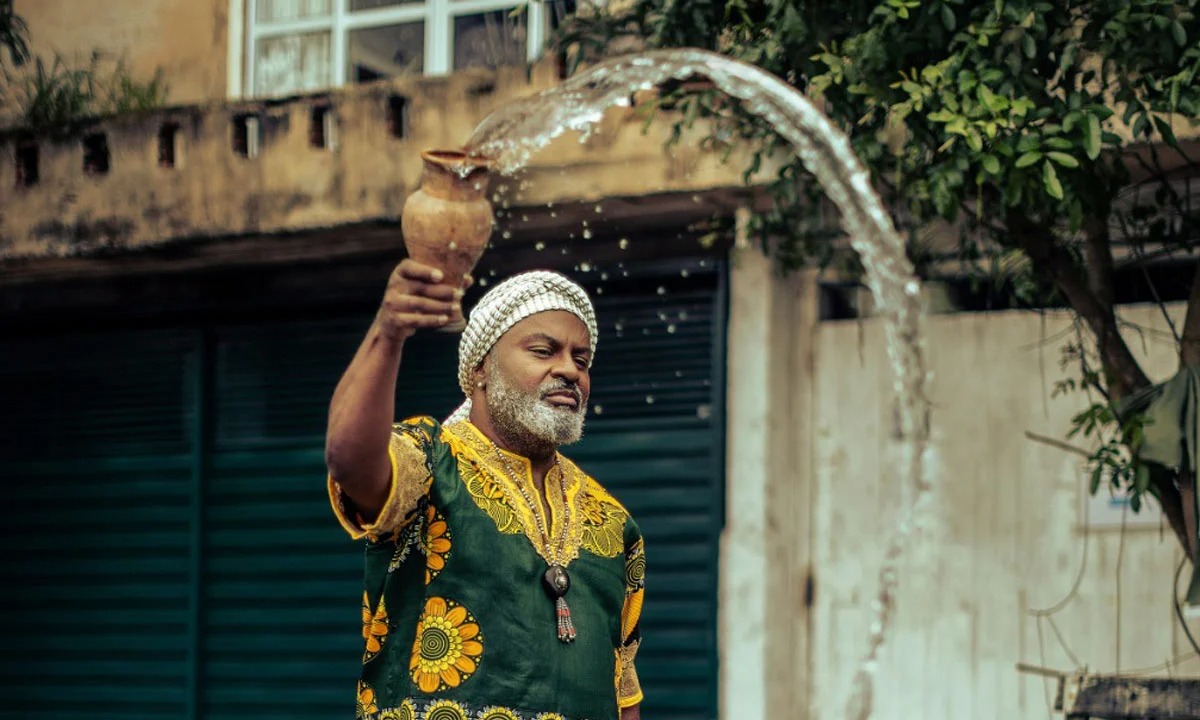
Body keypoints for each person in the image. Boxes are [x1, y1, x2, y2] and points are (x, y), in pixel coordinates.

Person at [325, 259, 645, 720]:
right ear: (480, 369)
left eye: (581, 359)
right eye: (543, 351)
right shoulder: (430, 463)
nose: (570, 371)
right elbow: (350, 464)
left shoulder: (613, 521)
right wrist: (388, 332)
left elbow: (624, 690)